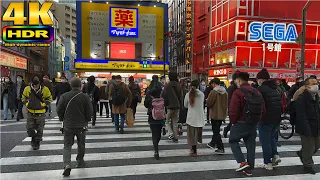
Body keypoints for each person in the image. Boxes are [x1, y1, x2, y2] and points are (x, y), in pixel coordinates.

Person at [229, 72, 265, 177]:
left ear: (239, 80)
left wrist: (233, 121)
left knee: (233, 140)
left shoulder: (238, 92)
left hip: (240, 122)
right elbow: (263, 108)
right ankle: (249, 169)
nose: (235, 82)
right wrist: (258, 119)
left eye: (236, 80)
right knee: (250, 144)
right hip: (253, 123)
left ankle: (242, 162)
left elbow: (233, 109)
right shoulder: (256, 91)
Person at [57, 77, 93, 177]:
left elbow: (59, 109)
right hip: (81, 125)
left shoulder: (64, 96)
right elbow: (90, 111)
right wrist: (87, 120)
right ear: (80, 85)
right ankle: (80, 161)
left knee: (67, 145)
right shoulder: (85, 97)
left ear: (70, 85)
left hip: (68, 125)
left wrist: (62, 118)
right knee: (81, 144)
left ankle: (67, 164)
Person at [256, 69, 283, 170]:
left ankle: (268, 162)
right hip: (276, 118)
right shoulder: (277, 88)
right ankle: (275, 155)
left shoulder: (261, 89)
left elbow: (258, 105)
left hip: (265, 118)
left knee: (265, 141)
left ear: (261, 79)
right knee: (272, 138)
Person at [295, 77, 320, 174]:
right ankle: (308, 165)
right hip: (306, 126)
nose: (316, 85)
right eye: (313, 83)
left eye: (316, 83)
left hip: (316, 126)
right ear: (307, 86)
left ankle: (302, 153)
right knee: (309, 148)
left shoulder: (316, 96)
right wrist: (307, 130)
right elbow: (302, 116)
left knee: (316, 146)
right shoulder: (302, 98)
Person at [21, 75, 52, 150]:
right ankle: (33, 137)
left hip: (41, 113)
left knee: (40, 129)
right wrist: (27, 104)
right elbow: (23, 97)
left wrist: (43, 104)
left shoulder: (45, 89)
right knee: (29, 128)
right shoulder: (27, 89)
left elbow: (49, 98)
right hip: (30, 112)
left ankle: (37, 142)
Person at [144, 75, 165, 160]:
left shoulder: (149, 90)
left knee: (154, 133)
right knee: (158, 133)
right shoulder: (161, 89)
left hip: (152, 115)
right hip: (161, 115)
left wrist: (151, 105)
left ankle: (156, 150)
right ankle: (157, 143)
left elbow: (146, 104)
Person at [206, 78, 228, 154]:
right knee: (217, 129)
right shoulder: (225, 91)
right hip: (222, 114)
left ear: (214, 83)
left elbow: (209, 103)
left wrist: (207, 101)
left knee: (216, 131)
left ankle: (220, 147)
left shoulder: (214, 92)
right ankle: (212, 143)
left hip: (215, 114)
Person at [184, 80, 206, 157]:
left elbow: (185, 105)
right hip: (199, 117)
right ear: (198, 86)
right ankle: (194, 150)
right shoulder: (202, 94)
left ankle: (193, 150)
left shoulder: (188, 94)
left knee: (191, 135)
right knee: (197, 135)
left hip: (191, 118)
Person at [162, 72, 181, 143]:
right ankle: (176, 137)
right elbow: (180, 96)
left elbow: (164, 96)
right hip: (177, 105)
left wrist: (165, 104)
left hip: (170, 106)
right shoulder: (178, 85)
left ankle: (171, 133)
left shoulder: (168, 86)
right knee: (175, 122)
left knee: (167, 121)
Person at [223, 71, 240, 138]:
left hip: (238, 107)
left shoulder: (239, 87)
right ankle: (228, 131)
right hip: (232, 107)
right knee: (233, 122)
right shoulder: (231, 88)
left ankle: (230, 132)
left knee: (235, 122)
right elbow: (229, 99)